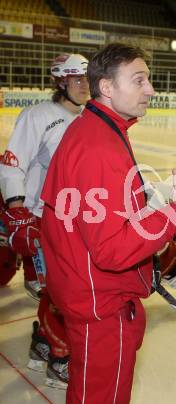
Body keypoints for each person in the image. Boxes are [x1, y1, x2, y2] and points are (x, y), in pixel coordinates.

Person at [39, 43, 176, 404]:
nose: (151, 90)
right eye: (139, 80)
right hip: (101, 303)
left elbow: (97, 212)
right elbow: (110, 250)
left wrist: (154, 200)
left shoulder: (97, 130)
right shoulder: (99, 146)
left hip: (90, 293)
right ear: (107, 88)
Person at [0, 53, 90, 389]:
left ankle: (42, 344)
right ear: (60, 82)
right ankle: (60, 359)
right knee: (59, 293)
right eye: (77, 79)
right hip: (42, 220)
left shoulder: (88, 119)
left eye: (87, 78)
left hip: (76, 222)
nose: (85, 85)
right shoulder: (37, 116)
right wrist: (18, 210)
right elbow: (12, 164)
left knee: (63, 290)